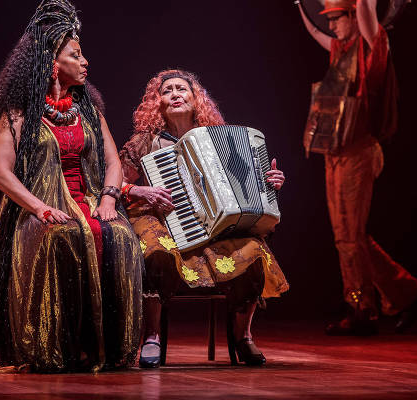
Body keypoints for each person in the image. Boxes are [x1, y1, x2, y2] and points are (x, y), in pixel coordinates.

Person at [0, 0, 142, 373]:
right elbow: (1, 173)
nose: (85, 62)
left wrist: (110, 198)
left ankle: (106, 349)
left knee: (122, 235)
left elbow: (113, 162)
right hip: (37, 205)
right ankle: (56, 347)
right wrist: (39, 207)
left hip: (90, 201)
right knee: (58, 236)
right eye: (76, 55)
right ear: (51, 63)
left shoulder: (90, 112)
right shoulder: (17, 114)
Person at [118, 69, 289, 367]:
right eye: (167, 90)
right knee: (156, 252)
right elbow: (116, 185)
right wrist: (141, 190)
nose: (174, 94)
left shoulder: (217, 138)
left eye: (181, 89)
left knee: (253, 249)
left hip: (215, 228)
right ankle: (152, 337)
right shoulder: (144, 143)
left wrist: (269, 181)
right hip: (163, 220)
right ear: (157, 102)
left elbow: (245, 182)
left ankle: (243, 337)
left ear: (196, 99)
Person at [292, 0, 417, 335]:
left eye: (337, 17)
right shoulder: (340, 50)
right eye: (331, 18)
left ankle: (367, 309)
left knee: (350, 236)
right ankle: (383, 300)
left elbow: (367, 5)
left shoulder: (373, 48)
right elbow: (316, 32)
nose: (331, 24)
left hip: (359, 152)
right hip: (335, 154)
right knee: (346, 237)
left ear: (353, 15)